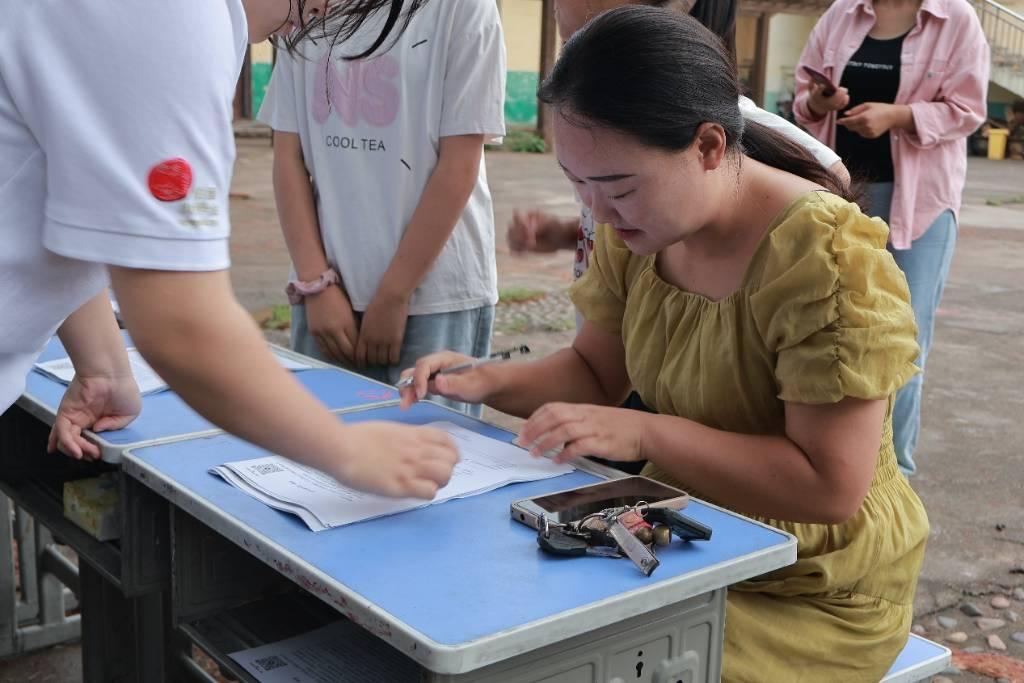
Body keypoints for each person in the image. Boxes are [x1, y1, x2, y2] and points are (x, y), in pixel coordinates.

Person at [401, 8, 929, 680]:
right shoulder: (637, 230)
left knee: (575, 662)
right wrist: (483, 381)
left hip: (811, 586)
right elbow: (594, 372)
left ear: (709, 146)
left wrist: (646, 432)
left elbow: (830, 486)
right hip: (681, 536)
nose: (596, 211)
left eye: (618, 185)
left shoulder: (823, 258)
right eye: (579, 184)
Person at [0, 0, 458, 500]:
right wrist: (343, 450)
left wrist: (103, 368)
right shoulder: (173, 16)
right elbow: (181, 320)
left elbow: (83, 204)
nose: (330, 15)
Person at [259, 0, 505, 417]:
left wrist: (394, 293)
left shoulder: (463, 8)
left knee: (430, 459)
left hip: (433, 299)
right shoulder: (306, 7)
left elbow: (459, 164)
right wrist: (315, 283)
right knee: (318, 459)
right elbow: (288, 158)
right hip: (326, 294)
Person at [507, 0, 850, 285]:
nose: (579, 64)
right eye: (568, 44)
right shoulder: (594, 120)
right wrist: (568, 235)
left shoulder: (711, 119)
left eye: (595, 39)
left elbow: (832, 177)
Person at [794, 0, 990, 475]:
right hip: (841, 197)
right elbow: (803, 101)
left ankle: (893, 474)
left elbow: (968, 111)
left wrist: (898, 116)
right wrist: (822, 102)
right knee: (831, 329)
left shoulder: (956, 18)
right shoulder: (841, 15)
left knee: (904, 338)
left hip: (919, 204)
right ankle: (836, 465)